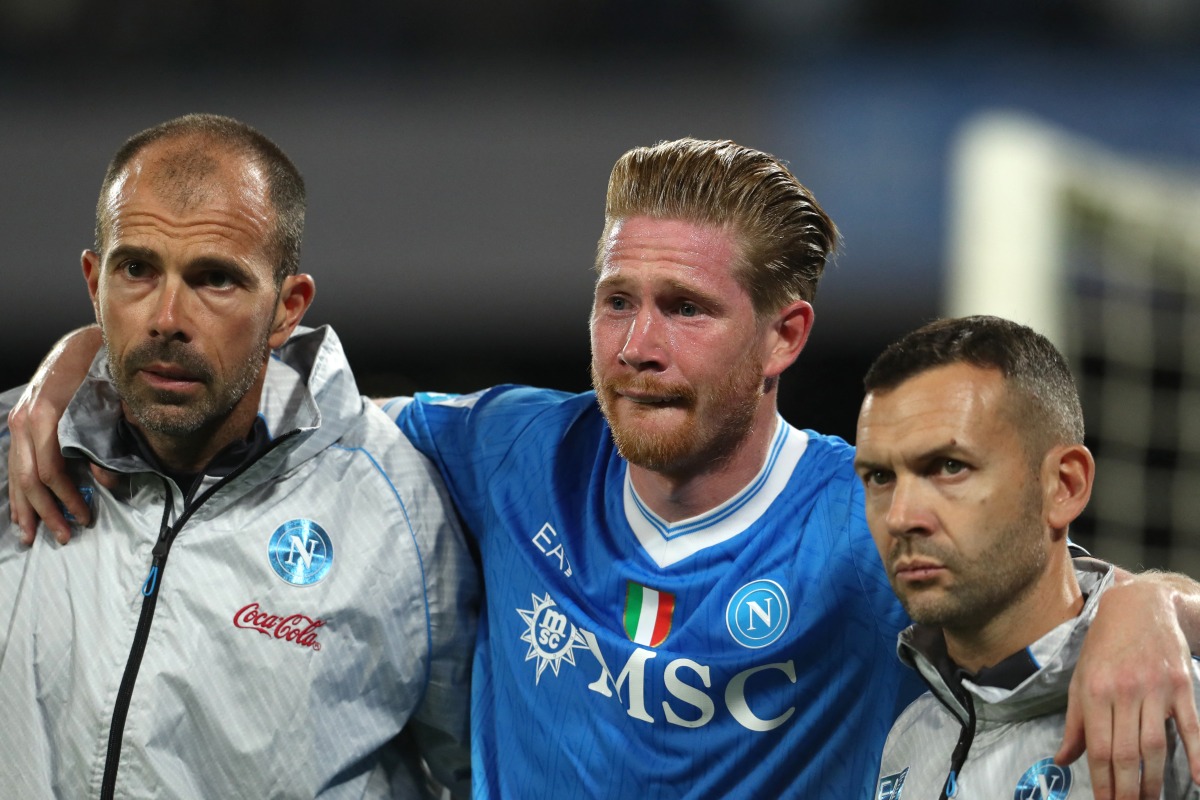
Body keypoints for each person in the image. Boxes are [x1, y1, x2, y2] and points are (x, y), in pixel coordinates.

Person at [8, 137, 1200, 799]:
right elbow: (256, 381)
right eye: (615, 299)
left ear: (785, 336)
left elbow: (1033, 579)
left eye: (683, 307)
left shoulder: (864, 511)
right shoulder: (508, 445)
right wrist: (83, 361)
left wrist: (1152, 598)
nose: (636, 344)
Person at [0, 113, 478, 799]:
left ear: (288, 307)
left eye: (214, 279)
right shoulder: (17, 449)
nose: (167, 317)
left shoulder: (399, 505)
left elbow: (482, 772)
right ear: (92, 282)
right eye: (136, 269)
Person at [856, 315, 1200, 798]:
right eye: (879, 478)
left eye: (950, 467)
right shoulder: (911, 737)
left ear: (1064, 486)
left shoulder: (1177, 708)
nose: (900, 517)